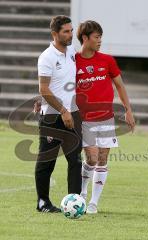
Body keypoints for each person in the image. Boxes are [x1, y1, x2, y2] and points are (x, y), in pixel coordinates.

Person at [75, 20, 135, 214]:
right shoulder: (73, 61)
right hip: (85, 120)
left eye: (101, 37)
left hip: (106, 118)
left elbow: (120, 85)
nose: (100, 41)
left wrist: (128, 110)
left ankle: (93, 202)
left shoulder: (107, 60)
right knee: (91, 159)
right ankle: (82, 193)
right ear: (85, 38)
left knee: (102, 159)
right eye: (96, 37)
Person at [35, 15, 82, 213]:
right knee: (47, 160)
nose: (70, 34)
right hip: (53, 116)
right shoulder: (47, 57)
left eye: (71, 30)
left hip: (73, 113)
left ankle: (75, 202)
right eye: (66, 31)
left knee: (75, 160)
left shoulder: (71, 51)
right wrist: (63, 110)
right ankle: (42, 202)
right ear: (55, 34)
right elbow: (44, 88)